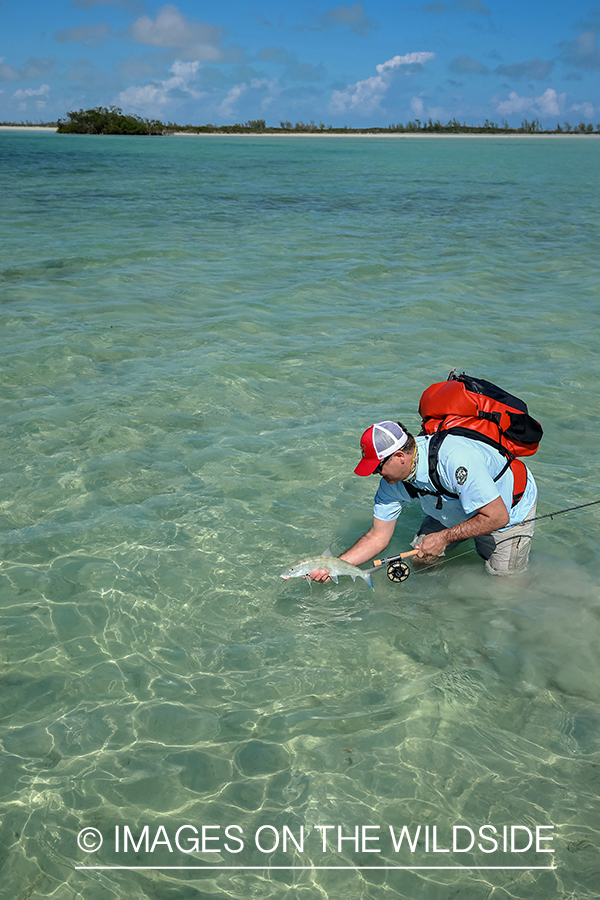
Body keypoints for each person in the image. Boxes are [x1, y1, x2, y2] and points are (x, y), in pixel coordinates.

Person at [309, 420, 537, 582]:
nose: (375, 474)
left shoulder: (455, 460)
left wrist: (444, 537)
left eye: (377, 468)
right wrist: (333, 566)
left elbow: (497, 516)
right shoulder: (392, 482)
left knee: (503, 583)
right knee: (421, 560)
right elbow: (377, 537)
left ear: (399, 457)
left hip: (506, 510)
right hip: (451, 509)